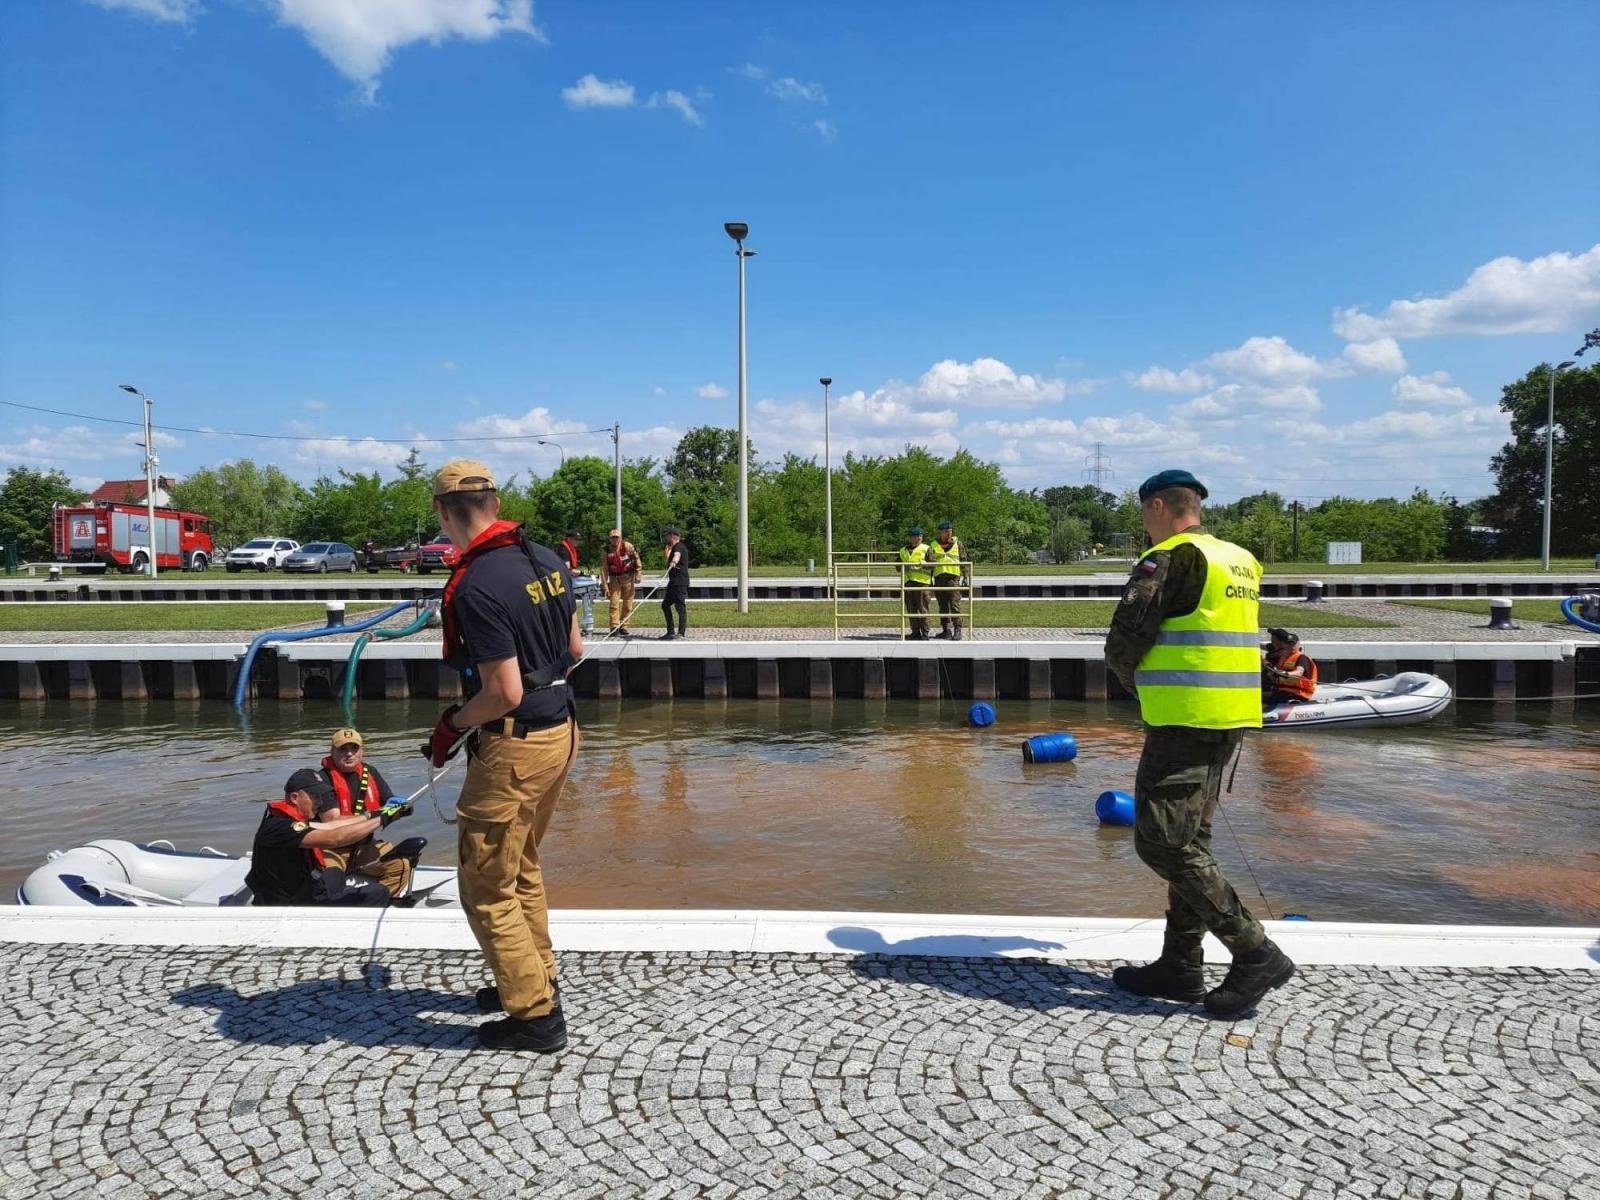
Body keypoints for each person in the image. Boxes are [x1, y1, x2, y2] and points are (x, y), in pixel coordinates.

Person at [1104, 468, 1296, 1017]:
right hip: (1230, 714)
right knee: (1192, 841)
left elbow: (1124, 640)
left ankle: (1255, 950)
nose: (1143, 524)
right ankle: (1180, 965)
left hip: (1184, 716)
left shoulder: (1169, 558)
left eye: (1144, 513)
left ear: (1160, 506)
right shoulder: (1239, 558)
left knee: (1161, 842)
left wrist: (1135, 689)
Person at [424, 459, 583, 1053]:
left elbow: (503, 692)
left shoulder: (476, 584)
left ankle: (535, 1017)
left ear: (443, 513)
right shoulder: (547, 558)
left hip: (515, 744)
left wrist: (451, 726)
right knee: (523, 866)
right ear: (495, 502)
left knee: (485, 884)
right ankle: (534, 976)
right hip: (562, 730)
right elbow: (573, 648)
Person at [245, 768, 411, 907]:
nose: (320, 802)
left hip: (306, 886)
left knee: (334, 874)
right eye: (315, 797)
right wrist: (383, 819)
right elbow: (336, 838)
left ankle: (343, 903)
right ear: (295, 798)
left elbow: (332, 826)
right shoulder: (279, 827)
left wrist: (375, 813)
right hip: (293, 903)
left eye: (321, 797)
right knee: (378, 892)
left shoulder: (291, 820)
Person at [317, 727, 418, 900]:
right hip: (332, 849)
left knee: (400, 865)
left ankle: (380, 902)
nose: (349, 754)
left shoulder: (370, 772)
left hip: (364, 846)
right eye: (343, 749)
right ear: (332, 751)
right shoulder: (321, 779)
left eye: (354, 749)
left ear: (361, 752)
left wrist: (403, 808)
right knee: (328, 882)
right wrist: (375, 814)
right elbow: (330, 821)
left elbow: (389, 803)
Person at [928, 520, 968, 640]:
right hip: (939, 578)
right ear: (940, 532)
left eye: (950, 531)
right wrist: (930, 579)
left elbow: (964, 560)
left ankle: (958, 630)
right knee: (943, 606)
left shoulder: (958, 544)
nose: (948, 534)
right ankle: (946, 630)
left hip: (953, 578)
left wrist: (965, 576)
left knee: (955, 605)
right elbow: (930, 563)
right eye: (946, 532)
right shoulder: (933, 545)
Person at [1262, 627, 1319, 706]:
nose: (1291, 645)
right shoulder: (1282, 657)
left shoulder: (1302, 657)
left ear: (1298, 644)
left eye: (1293, 643)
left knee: (1264, 698)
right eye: (1288, 643)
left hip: (1298, 693)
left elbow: (1299, 672)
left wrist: (1286, 674)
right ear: (1285, 645)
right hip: (1283, 691)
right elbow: (1268, 648)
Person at [603, 528, 642, 636]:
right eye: (613, 537)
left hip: (628, 577)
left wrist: (638, 573)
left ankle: (624, 625)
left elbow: (637, 559)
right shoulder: (606, 550)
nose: (615, 539)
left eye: (617, 537)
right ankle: (614, 626)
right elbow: (604, 569)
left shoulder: (628, 546)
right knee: (614, 603)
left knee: (628, 604)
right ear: (610, 538)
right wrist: (605, 585)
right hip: (614, 579)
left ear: (620, 537)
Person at [898, 526, 933, 641]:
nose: (918, 538)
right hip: (908, 583)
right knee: (911, 609)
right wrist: (902, 566)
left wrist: (923, 563)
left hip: (922, 583)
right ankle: (915, 632)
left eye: (920, 536)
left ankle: (925, 633)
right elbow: (897, 565)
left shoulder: (926, 549)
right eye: (915, 536)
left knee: (923, 608)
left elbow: (933, 564)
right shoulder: (903, 550)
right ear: (911, 538)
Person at [661, 527, 690, 641]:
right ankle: (670, 631)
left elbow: (677, 556)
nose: (666, 538)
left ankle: (681, 633)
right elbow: (672, 555)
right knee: (665, 605)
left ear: (672, 536)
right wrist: (668, 554)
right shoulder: (674, 547)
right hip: (673, 582)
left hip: (680, 582)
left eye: (667, 536)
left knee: (680, 607)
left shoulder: (679, 546)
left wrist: (673, 562)